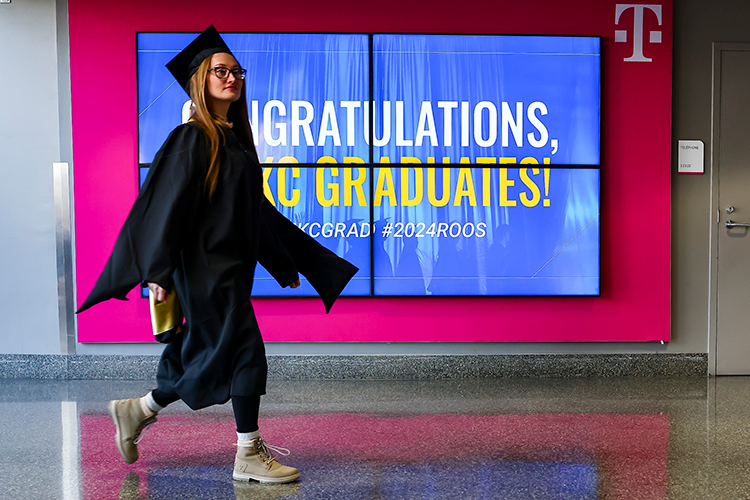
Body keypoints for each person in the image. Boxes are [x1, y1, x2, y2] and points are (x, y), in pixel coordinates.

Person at [77, 25, 357, 484]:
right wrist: (158, 269)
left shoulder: (234, 141)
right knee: (246, 350)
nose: (231, 78)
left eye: (236, 71)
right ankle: (248, 451)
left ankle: (139, 410)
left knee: (205, 350)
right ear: (200, 81)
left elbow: (255, 213)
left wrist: (283, 262)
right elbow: (166, 205)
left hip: (229, 266)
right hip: (203, 266)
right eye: (219, 71)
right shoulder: (193, 138)